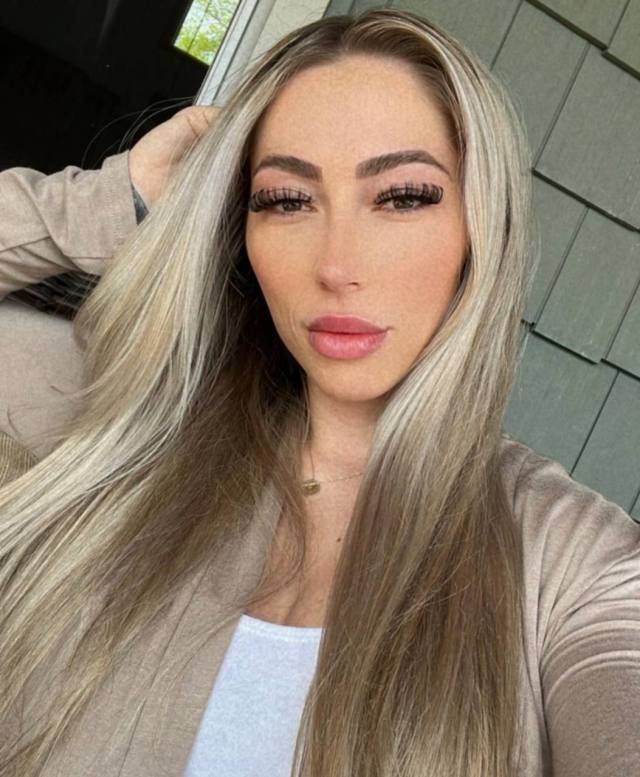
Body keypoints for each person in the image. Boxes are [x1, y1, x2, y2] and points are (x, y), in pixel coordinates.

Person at [0, 8, 638, 777]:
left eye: (403, 196)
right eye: (286, 199)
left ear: (484, 225)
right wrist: (122, 197)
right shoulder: (123, 416)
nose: (336, 265)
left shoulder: (572, 563)